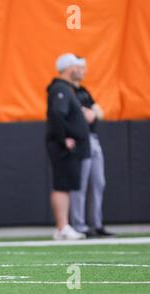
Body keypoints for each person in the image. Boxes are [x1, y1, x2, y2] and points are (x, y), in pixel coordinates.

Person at [46, 53, 90, 240]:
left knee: (66, 184)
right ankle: (62, 226)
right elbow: (57, 114)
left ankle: (64, 226)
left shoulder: (66, 88)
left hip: (68, 145)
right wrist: (65, 139)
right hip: (62, 145)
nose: (79, 70)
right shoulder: (60, 89)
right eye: (75, 66)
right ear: (67, 69)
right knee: (61, 185)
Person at [70, 57, 115, 237]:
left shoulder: (84, 91)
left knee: (99, 182)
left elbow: (99, 112)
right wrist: (87, 112)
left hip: (93, 138)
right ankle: (79, 225)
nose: (83, 71)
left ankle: (97, 224)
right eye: (80, 67)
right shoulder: (66, 90)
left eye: (84, 67)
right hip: (80, 139)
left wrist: (91, 112)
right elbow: (79, 114)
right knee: (80, 182)